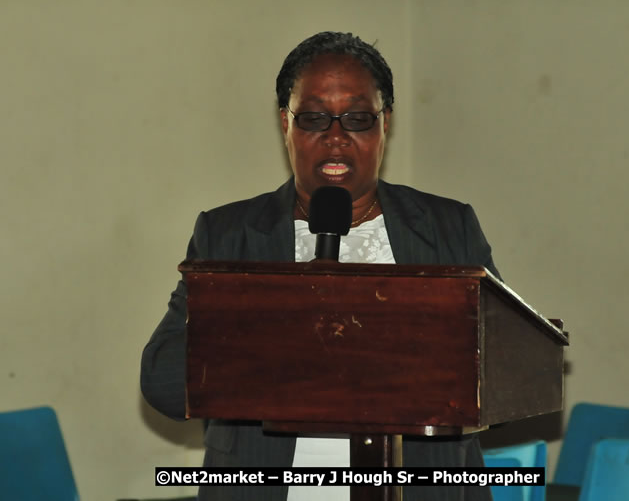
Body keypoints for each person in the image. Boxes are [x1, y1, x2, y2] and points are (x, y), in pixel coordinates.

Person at [141, 31, 498, 501]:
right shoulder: (230, 236)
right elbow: (164, 381)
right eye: (313, 118)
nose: (335, 137)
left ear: (384, 123)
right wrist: (292, 336)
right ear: (284, 123)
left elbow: (498, 371)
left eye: (356, 118)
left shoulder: (448, 228)